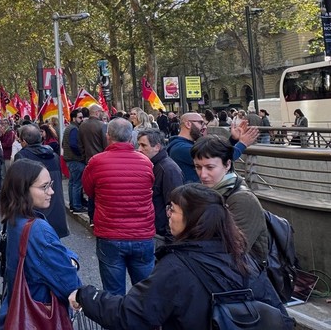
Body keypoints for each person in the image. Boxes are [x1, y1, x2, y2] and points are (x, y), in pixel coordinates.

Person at [69, 184, 289, 330]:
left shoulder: (176, 267)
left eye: (172, 210)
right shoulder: (241, 256)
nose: (168, 215)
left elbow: (132, 314)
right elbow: (280, 314)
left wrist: (86, 296)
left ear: (192, 219)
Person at [0, 159, 81, 330]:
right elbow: (69, 281)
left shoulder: (13, 218)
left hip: (14, 309)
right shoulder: (38, 229)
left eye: (50, 184)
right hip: (40, 312)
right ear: (23, 190)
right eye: (44, 187)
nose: (51, 191)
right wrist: (72, 259)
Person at [82, 118, 155, 295]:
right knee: (146, 292)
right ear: (131, 137)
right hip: (143, 234)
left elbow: (89, 191)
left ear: (108, 136)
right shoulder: (145, 162)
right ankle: (145, 322)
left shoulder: (96, 162)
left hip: (110, 234)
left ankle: (117, 322)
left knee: (113, 294)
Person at [191, 136, 269, 265]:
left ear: (227, 164)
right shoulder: (208, 193)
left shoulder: (242, 200)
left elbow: (235, 251)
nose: (202, 175)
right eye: (198, 167)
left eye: (210, 167)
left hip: (244, 275)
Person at [15, 124, 69, 238]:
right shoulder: (54, 156)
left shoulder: (22, 156)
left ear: (24, 141)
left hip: (34, 211)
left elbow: (19, 187)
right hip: (56, 209)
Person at [136, 129, 183, 245]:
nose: (139, 149)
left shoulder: (168, 169)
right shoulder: (152, 165)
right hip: (152, 231)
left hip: (161, 235)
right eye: (139, 145)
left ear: (157, 147)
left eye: (143, 145)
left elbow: (175, 205)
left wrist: (170, 242)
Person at [63, 108, 86, 213]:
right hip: (75, 160)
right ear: (74, 118)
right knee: (77, 183)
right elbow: (73, 144)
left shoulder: (69, 128)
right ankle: (76, 205)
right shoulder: (74, 129)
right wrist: (80, 154)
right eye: (80, 117)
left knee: (72, 183)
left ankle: (73, 204)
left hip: (70, 159)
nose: (82, 119)